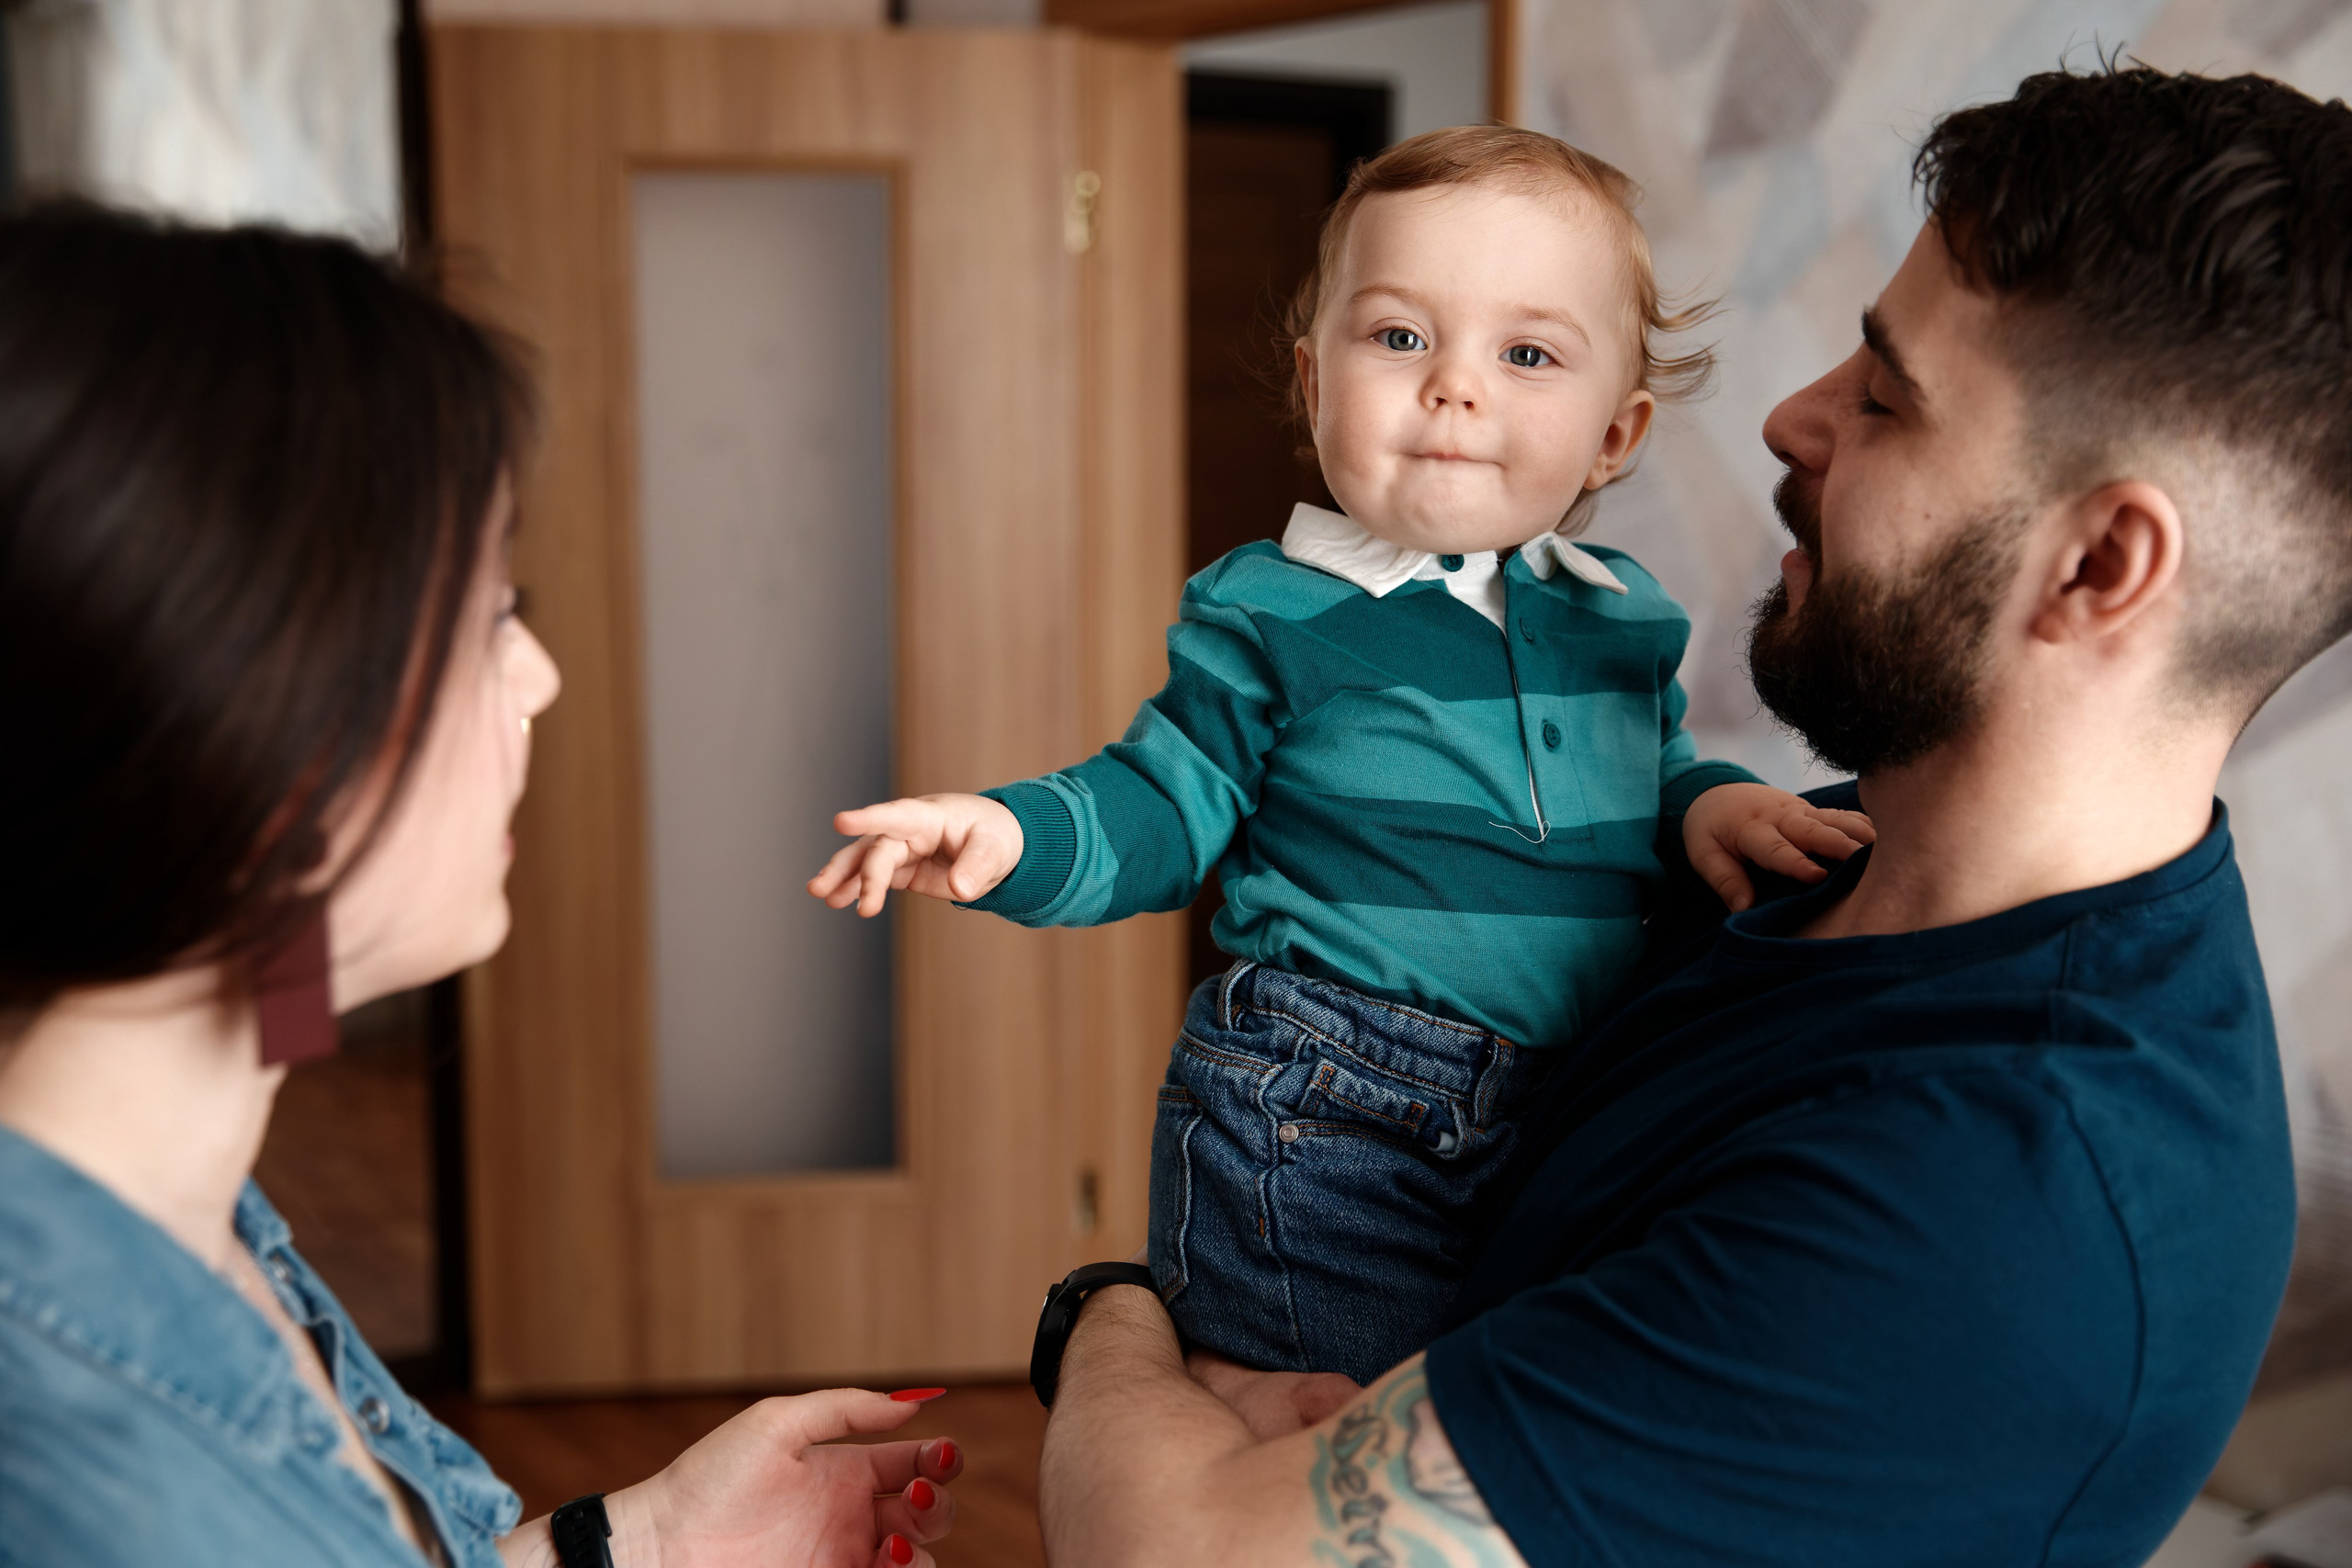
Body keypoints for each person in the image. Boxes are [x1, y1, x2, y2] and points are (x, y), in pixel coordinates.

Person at [1034, 62, 2345, 1568]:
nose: (1793, 419)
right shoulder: (1811, 861)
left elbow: (1174, 1555)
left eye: (1886, 398)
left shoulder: (1997, 1210)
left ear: (2101, 566)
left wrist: (1109, 1317)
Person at [809, 126, 1873, 1384]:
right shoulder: (1275, 610)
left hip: (1555, 1109)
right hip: (1323, 1111)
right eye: (1400, 338)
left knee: (1466, 1447)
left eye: (1526, 354)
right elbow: (1162, 799)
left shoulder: (1621, 615)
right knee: (1310, 1446)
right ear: (1316, 383)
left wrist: (1711, 805)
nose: (1454, 386)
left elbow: (1649, 773)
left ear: (1615, 436)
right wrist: (1016, 835)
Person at [0, 209, 965, 1568]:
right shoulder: (77, 1484)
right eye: (489, 616)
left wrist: (631, 1545)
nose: (541, 678)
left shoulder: (186, 1193)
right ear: (263, 716)